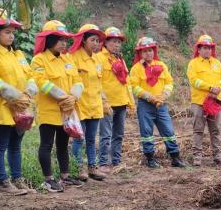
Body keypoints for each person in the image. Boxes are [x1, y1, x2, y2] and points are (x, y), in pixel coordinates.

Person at [0, 9, 37, 195]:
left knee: (15, 146)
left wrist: (28, 94)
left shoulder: (18, 54)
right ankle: (2, 183)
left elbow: (31, 75)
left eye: (13, 32)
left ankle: (17, 179)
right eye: (7, 32)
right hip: (2, 108)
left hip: (21, 109)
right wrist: (14, 97)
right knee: (0, 146)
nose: (11, 36)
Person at [31, 20, 85, 192]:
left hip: (67, 111)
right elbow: (41, 83)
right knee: (46, 144)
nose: (64, 43)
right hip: (49, 110)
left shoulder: (67, 59)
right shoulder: (39, 60)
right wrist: (63, 97)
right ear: (50, 40)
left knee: (63, 144)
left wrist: (74, 96)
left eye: (65, 40)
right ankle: (48, 179)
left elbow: (78, 80)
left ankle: (65, 176)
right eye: (60, 39)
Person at [130, 37, 185, 168]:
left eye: (150, 50)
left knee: (168, 130)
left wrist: (164, 94)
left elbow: (169, 82)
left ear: (154, 51)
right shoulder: (136, 69)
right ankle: (150, 159)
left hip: (161, 105)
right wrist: (148, 96)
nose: (148, 53)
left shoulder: (162, 65)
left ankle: (175, 157)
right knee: (147, 132)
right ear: (140, 53)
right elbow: (134, 87)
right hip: (145, 105)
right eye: (145, 51)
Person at [69, 24, 107, 181]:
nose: (96, 43)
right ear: (83, 40)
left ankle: (93, 167)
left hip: (95, 105)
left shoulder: (98, 59)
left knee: (92, 139)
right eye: (93, 40)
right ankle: (78, 168)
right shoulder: (74, 58)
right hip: (80, 105)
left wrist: (105, 101)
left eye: (98, 40)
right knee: (79, 138)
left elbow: (100, 84)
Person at [96, 26, 135, 171]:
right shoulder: (99, 58)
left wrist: (131, 102)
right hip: (108, 104)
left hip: (121, 102)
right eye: (113, 41)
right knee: (105, 135)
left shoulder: (121, 59)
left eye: (119, 42)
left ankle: (116, 161)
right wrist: (103, 100)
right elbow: (97, 82)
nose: (117, 45)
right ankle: (103, 163)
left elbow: (127, 82)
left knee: (118, 134)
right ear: (105, 42)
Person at [186, 35, 221, 166]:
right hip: (199, 102)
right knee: (198, 130)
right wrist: (210, 87)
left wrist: (219, 87)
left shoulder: (217, 63)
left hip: (215, 102)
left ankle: (218, 156)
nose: (207, 50)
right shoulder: (193, 64)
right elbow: (194, 81)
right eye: (204, 48)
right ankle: (197, 157)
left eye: (209, 48)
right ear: (199, 49)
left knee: (215, 130)